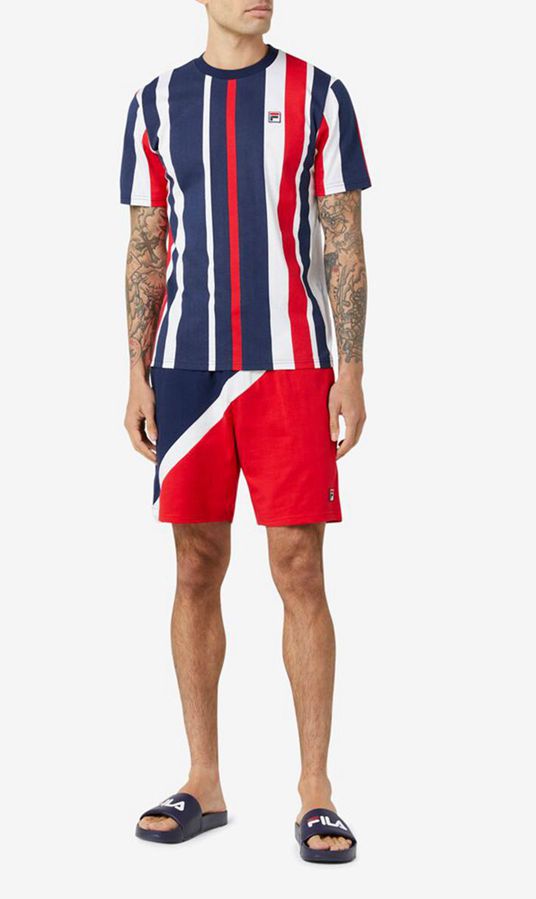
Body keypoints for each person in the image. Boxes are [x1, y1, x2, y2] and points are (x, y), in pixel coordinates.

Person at [119, 0, 370, 864]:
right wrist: (136, 371)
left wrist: (350, 368)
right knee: (196, 563)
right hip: (186, 366)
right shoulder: (155, 103)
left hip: (292, 364)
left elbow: (344, 238)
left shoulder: (319, 94)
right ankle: (204, 779)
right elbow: (146, 241)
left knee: (299, 564)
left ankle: (316, 789)